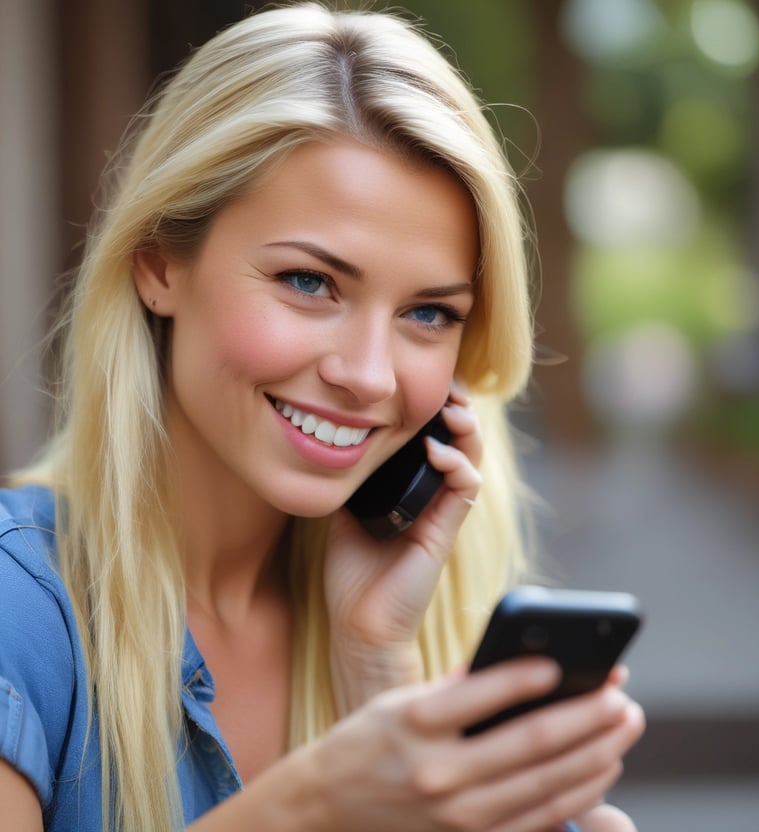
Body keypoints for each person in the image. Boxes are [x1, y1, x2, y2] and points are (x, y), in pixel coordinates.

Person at [0, 3, 645, 831]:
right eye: (310, 282)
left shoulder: (410, 632)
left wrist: (375, 668)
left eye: (429, 313)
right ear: (158, 265)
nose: (369, 375)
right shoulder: (22, 612)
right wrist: (312, 804)